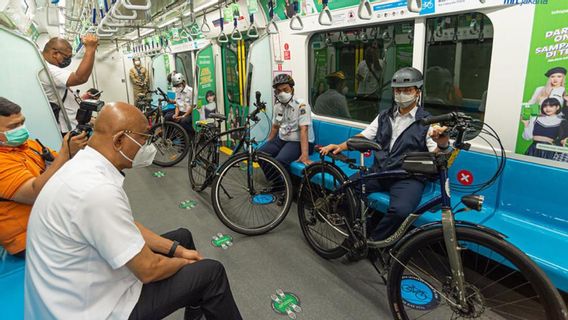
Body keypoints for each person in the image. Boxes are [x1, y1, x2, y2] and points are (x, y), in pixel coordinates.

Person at [24, 102, 242, 320]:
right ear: (119, 140)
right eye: (143, 138)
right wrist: (187, 263)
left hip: (77, 286)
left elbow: (126, 224)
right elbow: (149, 270)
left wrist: (178, 251)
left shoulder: (82, 165)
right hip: (90, 309)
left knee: (182, 238)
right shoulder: (97, 191)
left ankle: (196, 302)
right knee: (211, 273)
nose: (147, 147)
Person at [320, 67, 449, 243]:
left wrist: (442, 143)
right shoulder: (383, 117)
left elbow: (436, 155)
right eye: (398, 90)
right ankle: (357, 232)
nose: (402, 94)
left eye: (407, 90)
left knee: (401, 210)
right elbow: (363, 137)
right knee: (347, 188)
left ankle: (374, 241)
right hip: (379, 171)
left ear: (417, 93)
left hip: (407, 177)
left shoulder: (428, 122)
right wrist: (340, 146)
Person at [0, 97, 87, 257]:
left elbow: (60, 166)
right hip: (30, 236)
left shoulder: (29, 145)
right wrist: (66, 153)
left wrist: (75, 149)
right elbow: (35, 193)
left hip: (53, 219)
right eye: (13, 127)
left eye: (22, 122)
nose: (21, 128)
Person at [40, 35, 99, 134]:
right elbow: (80, 78)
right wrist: (90, 49)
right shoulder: (48, 70)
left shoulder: (48, 66)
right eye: (66, 57)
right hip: (68, 128)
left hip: (73, 123)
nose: (68, 60)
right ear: (55, 53)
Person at [259, 74, 314, 169]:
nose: (282, 93)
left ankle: (283, 183)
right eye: (279, 91)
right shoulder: (277, 106)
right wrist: (268, 142)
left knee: (280, 161)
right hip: (283, 139)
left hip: (299, 141)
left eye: (285, 89)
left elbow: (304, 130)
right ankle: (274, 180)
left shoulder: (301, 105)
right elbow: (275, 127)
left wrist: (305, 154)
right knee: (260, 154)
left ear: (292, 89)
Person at [166, 73, 195, 138]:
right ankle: (170, 137)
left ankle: (193, 134)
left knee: (183, 121)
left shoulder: (190, 91)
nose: (177, 87)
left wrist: (183, 116)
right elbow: (177, 105)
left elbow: (192, 106)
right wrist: (176, 114)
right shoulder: (178, 91)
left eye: (178, 85)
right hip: (181, 111)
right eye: (176, 86)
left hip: (189, 113)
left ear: (183, 82)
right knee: (167, 116)